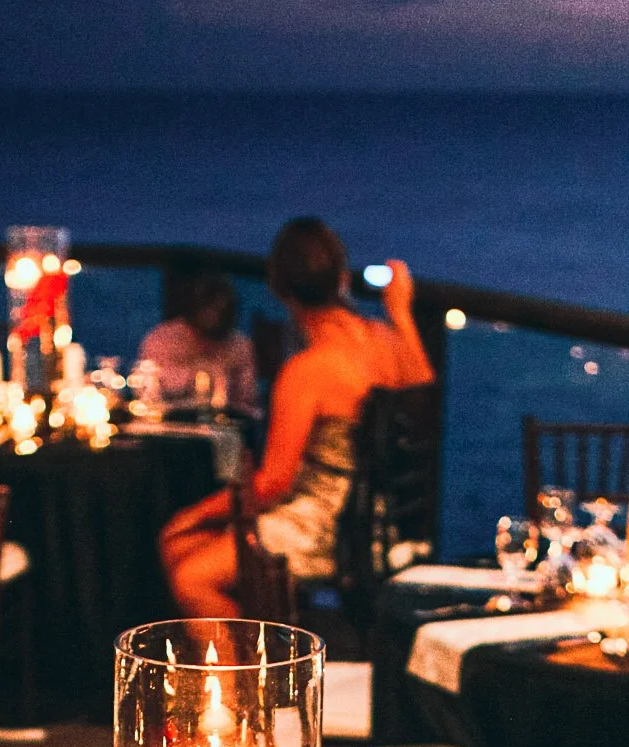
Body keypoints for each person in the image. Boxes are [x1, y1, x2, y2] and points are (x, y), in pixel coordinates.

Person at [159, 219, 432, 616]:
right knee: (182, 547)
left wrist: (192, 514)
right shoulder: (386, 340)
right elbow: (423, 390)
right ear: (342, 278)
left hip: (329, 532)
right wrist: (400, 312)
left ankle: (251, 657)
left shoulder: (306, 371)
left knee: (191, 577)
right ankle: (263, 636)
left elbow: (273, 482)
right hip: (380, 522)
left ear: (279, 288)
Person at [135, 271, 258, 415]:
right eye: (209, 307)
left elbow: (248, 397)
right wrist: (195, 374)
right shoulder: (163, 338)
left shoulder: (240, 344)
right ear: (194, 307)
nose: (215, 316)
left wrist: (225, 381)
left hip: (223, 420)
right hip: (170, 419)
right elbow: (150, 383)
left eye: (222, 310)